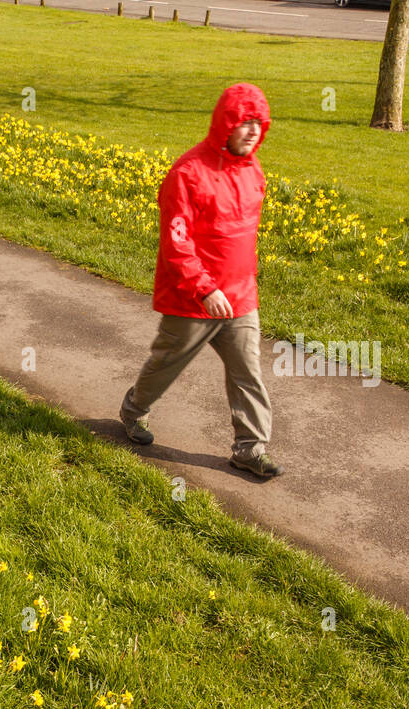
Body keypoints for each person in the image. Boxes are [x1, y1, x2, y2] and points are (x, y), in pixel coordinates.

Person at [119, 83, 284, 478]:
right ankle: (133, 411)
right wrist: (205, 288)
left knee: (248, 374)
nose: (252, 131)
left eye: (258, 124)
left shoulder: (254, 172)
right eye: (244, 123)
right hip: (192, 300)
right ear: (224, 123)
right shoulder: (187, 173)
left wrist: (237, 284)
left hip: (240, 299)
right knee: (165, 365)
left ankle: (250, 448)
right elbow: (177, 242)